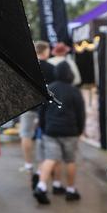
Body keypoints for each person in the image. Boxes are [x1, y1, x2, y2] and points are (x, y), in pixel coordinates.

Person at [33, 61, 85, 204]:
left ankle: (42, 186)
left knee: (50, 158)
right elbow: (81, 113)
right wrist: (80, 130)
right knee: (70, 160)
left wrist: (43, 128)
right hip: (70, 131)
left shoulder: (49, 89)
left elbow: (41, 112)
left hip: (51, 130)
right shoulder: (74, 91)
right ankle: (70, 190)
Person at [19, 41, 56, 175]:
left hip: (29, 106)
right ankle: (44, 165)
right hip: (47, 108)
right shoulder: (52, 68)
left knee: (26, 135)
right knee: (45, 137)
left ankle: (28, 164)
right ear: (45, 51)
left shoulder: (27, 67)